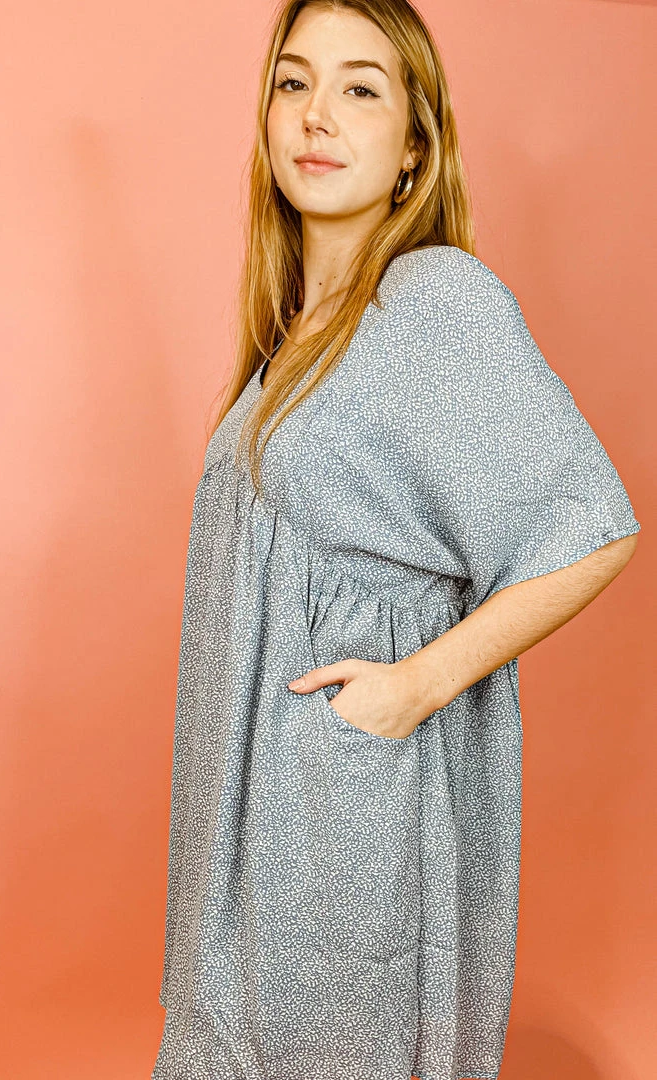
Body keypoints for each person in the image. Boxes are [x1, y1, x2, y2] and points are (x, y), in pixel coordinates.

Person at [152, 1, 641, 1077]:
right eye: (293, 82)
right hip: (248, 823)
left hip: (343, 820)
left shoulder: (431, 300)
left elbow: (591, 528)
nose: (316, 114)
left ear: (415, 145)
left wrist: (416, 687)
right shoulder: (290, 338)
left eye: (360, 88)